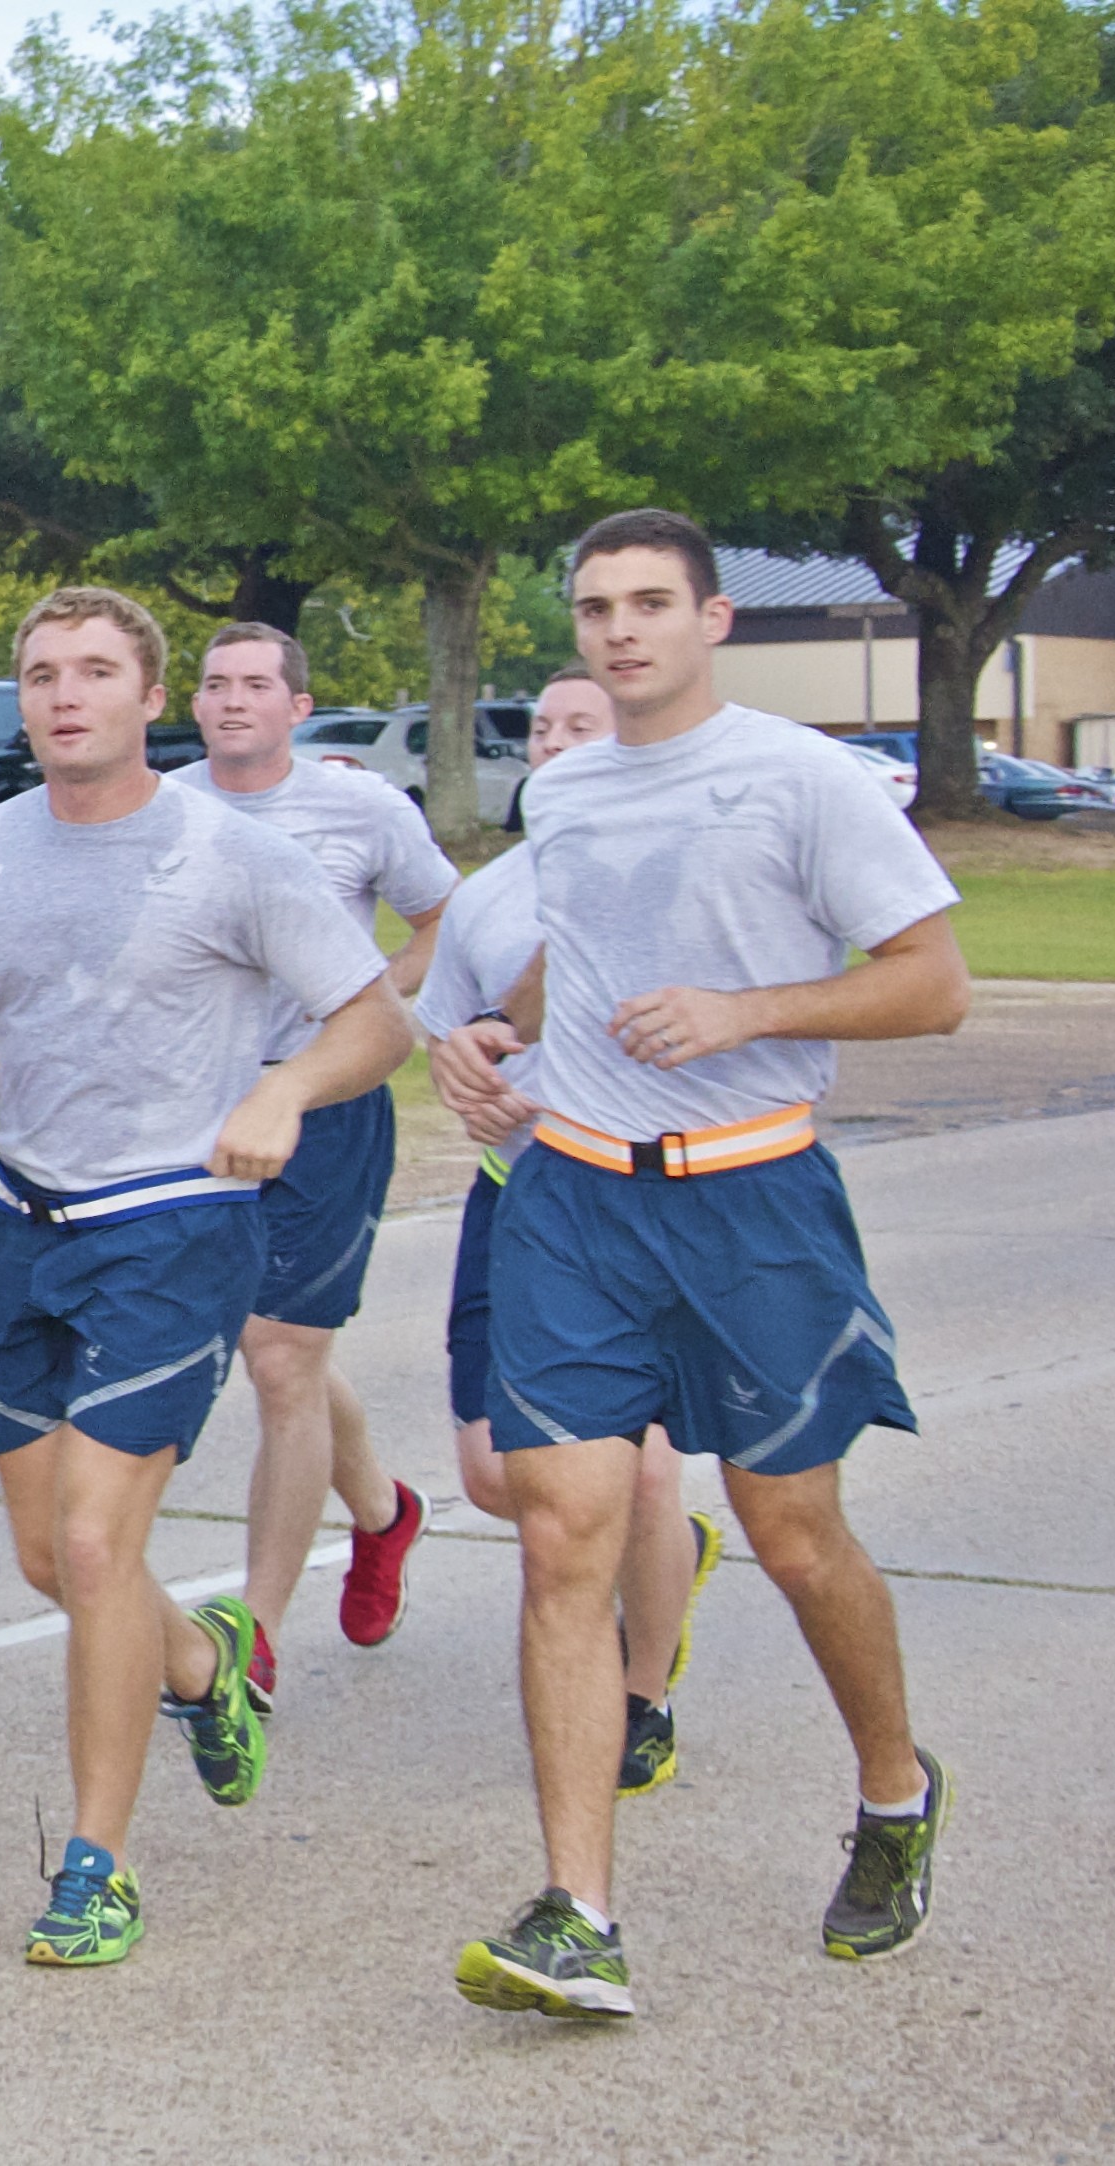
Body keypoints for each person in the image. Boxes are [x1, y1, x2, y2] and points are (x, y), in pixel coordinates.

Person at [434, 510, 965, 2021]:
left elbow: (930, 985)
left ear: (711, 619)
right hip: (575, 1201)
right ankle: (574, 1913)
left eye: (648, 603)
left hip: (752, 1202)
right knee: (559, 1539)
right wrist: (490, 1044)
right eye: (594, 606)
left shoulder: (800, 776)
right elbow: (580, 965)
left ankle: (889, 1788)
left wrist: (743, 1013)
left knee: (790, 1537)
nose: (617, 630)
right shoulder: (567, 786)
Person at [0, 589, 411, 1966]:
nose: (64, 693)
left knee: (95, 1546)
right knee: (41, 1553)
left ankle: (94, 1863)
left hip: (173, 1225)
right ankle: (199, 1663)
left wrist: (286, 1087)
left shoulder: (228, 854)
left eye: (95, 671)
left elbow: (375, 1017)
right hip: (18, 1226)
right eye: (40, 672)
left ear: (144, 695)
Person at [416, 666, 724, 1799]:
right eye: (538, 727)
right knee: (494, 1472)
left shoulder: (677, 881)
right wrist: (469, 1086)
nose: (552, 744)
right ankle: (667, 1565)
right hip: (517, 1195)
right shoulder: (487, 897)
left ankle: (639, 1694)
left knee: (631, 1468)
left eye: (577, 725)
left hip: (642, 1203)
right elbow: (452, 1037)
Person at [172, 623, 457, 1691]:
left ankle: (255, 1633)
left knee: (279, 1356)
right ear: (192, 706)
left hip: (325, 1109)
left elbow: (439, 919)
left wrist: (374, 1001)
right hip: (198, 1115)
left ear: (297, 707)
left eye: (255, 684)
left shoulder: (363, 808)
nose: (231, 700)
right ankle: (382, 1514)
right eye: (213, 685)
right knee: (275, 1347)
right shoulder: (164, 810)